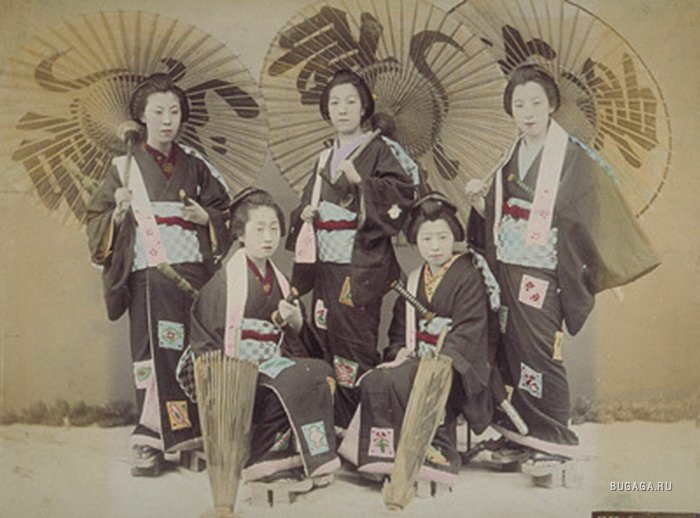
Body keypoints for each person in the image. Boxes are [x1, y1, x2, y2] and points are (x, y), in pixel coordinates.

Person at [467, 63, 660, 463]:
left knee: (541, 353)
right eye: (519, 104)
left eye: (536, 103)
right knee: (509, 351)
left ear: (552, 104)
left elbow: (589, 211)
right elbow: (499, 217)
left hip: (543, 270)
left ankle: (553, 436)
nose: (528, 112)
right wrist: (480, 203)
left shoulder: (571, 155)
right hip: (507, 267)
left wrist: (596, 260)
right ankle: (517, 433)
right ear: (510, 109)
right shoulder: (510, 153)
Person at [86, 73, 231, 476]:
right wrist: (117, 214)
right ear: (142, 116)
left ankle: (192, 436)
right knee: (152, 353)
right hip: (148, 274)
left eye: (174, 112)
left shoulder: (196, 165)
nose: (167, 120)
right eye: (158, 112)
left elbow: (225, 210)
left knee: (191, 351)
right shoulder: (123, 166)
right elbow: (95, 217)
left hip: (192, 275)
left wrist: (206, 217)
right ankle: (151, 439)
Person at [338, 192, 501, 486]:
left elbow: (469, 331)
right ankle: (381, 457)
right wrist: (399, 352)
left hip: (452, 368)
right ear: (416, 240)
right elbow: (399, 332)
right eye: (427, 239)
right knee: (377, 379)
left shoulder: (470, 275)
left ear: (455, 236)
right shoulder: (413, 280)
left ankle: (433, 457)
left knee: (403, 380)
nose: (435, 246)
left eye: (442, 237)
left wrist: (438, 359)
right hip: (416, 358)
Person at [286, 69, 415, 428]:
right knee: (323, 335)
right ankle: (332, 419)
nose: (342, 109)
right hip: (324, 266)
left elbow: (402, 195)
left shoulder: (379, 150)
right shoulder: (323, 157)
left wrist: (364, 183)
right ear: (327, 110)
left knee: (355, 343)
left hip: (357, 267)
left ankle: (360, 422)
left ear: (364, 108)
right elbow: (306, 203)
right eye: (335, 103)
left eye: (350, 102)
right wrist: (306, 214)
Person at [189, 188, 340, 486]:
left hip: (273, 366)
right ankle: (265, 460)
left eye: (274, 229)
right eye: (259, 229)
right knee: (289, 381)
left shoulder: (281, 282)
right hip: (237, 374)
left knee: (318, 372)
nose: (268, 237)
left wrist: (297, 323)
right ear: (240, 233)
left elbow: (300, 345)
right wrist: (230, 376)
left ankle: (306, 458)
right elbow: (206, 344)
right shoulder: (223, 285)